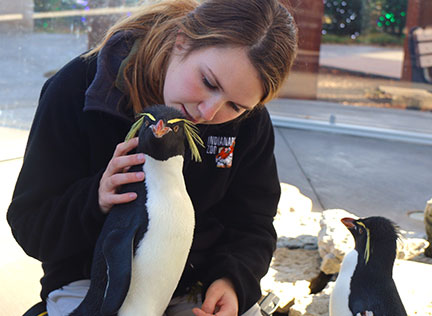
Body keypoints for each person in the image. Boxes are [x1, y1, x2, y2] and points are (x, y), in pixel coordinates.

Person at [7, 0, 297, 315]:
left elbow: (253, 221)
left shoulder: (248, 122)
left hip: (196, 288)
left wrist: (232, 281)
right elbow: (31, 228)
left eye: (236, 106)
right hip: (90, 285)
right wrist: (96, 199)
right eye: (209, 83)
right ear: (181, 41)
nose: (209, 112)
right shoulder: (79, 87)